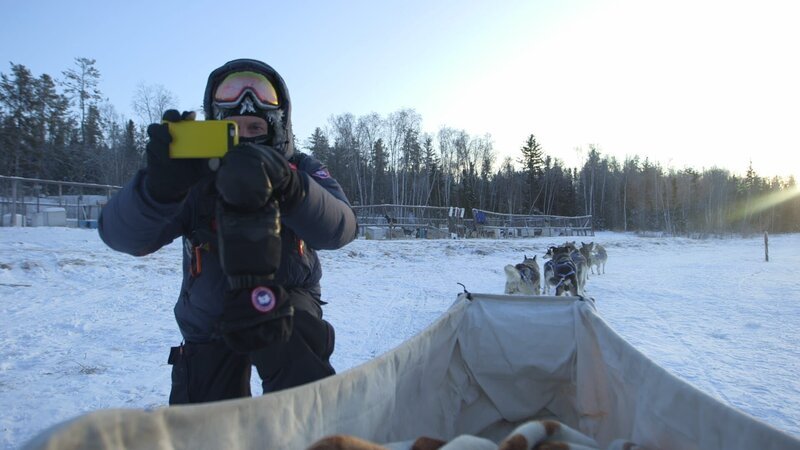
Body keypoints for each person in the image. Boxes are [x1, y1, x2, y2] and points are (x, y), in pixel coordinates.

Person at [98, 58, 358, 404]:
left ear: (278, 127)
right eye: (234, 130)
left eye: (255, 129)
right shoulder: (195, 174)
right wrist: (156, 190)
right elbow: (122, 236)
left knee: (304, 395)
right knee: (202, 426)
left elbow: (341, 228)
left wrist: (292, 187)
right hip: (209, 315)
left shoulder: (300, 168)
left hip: (288, 302)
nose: (246, 140)